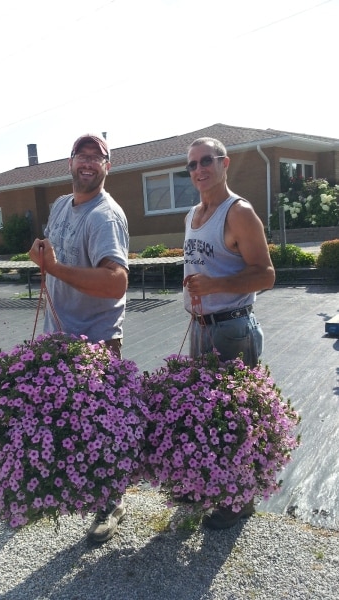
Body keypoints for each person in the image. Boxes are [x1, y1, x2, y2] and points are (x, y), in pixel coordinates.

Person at [29, 133, 129, 543]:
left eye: (97, 157)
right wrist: (42, 255)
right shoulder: (60, 205)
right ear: (69, 164)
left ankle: (112, 504)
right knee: (69, 427)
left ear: (108, 167)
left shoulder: (105, 216)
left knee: (103, 430)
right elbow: (53, 253)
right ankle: (71, 492)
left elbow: (115, 283)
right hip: (60, 335)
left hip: (97, 343)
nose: (88, 163)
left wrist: (53, 269)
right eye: (81, 156)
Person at [182, 137, 275, 529]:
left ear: (225, 163)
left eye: (207, 161)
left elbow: (267, 274)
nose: (199, 169)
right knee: (208, 416)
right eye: (192, 165)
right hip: (201, 328)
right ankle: (216, 489)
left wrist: (214, 286)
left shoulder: (238, 212)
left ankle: (240, 502)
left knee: (236, 419)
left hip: (232, 328)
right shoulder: (192, 214)